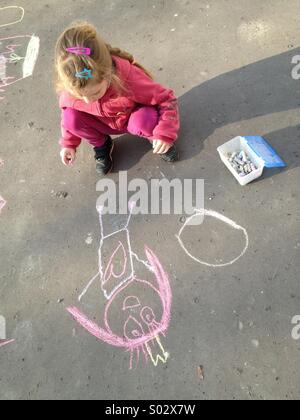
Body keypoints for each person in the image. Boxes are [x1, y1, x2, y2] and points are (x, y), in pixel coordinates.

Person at [55, 22, 180, 175]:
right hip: (102, 124)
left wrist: (165, 133)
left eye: (95, 93)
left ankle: (154, 138)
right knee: (70, 117)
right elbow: (68, 121)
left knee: (144, 119)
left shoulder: (128, 79)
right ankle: (102, 144)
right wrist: (68, 144)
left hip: (131, 118)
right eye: (79, 96)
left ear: (108, 75)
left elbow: (166, 99)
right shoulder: (71, 86)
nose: (87, 101)